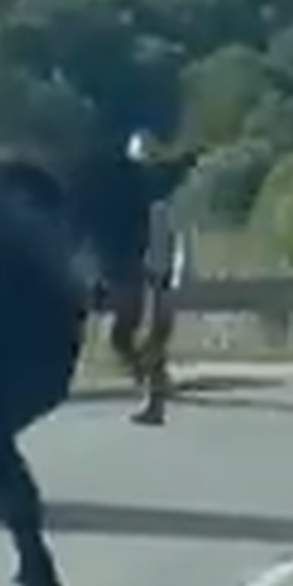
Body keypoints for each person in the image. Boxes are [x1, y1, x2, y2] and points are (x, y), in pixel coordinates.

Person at [108, 131, 185, 426]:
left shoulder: (164, 199)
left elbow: (177, 240)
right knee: (121, 336)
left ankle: (154, 399)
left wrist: (175, 279)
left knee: (152, 340)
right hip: (136, 273)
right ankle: (153, 385)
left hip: (159, 276)